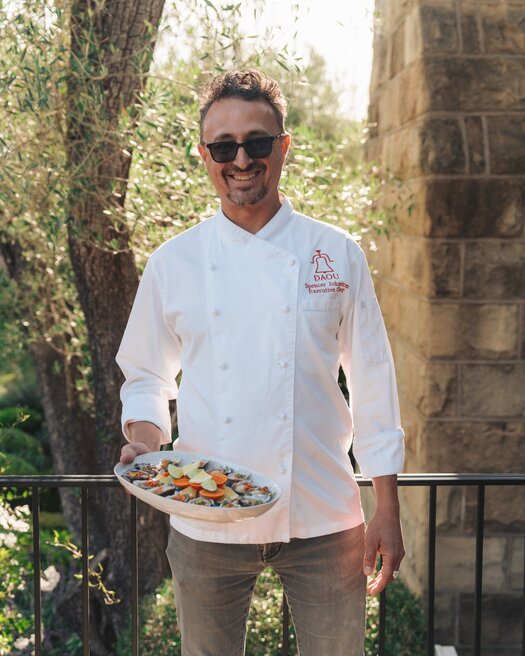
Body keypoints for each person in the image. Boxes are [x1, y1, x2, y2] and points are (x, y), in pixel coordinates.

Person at [117, 70, 405, 656]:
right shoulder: (174, 263)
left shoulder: (335, 253)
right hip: (206, 520)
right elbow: (147, 374)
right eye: (224, 146)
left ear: (284, 147)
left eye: (257, 142)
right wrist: (147, 444)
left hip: (325, 517)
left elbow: (373, 382)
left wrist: (387, 507)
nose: (241, 158)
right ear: (204, 156)